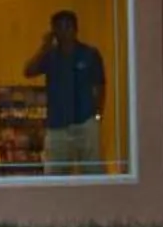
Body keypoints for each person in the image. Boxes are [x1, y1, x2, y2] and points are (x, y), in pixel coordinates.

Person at [24, 9, 107, 174]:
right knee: (54, 174)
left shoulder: (90, 54)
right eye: (59, 28)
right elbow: (28, 71)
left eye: (68, 27)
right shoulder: (50, 56)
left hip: (85, 121)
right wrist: (44, 47)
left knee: (93, 171)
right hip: (57, 125)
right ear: (54, 31)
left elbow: (99, 85)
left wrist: (97, 115)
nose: (64, 32)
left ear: (76, 29)